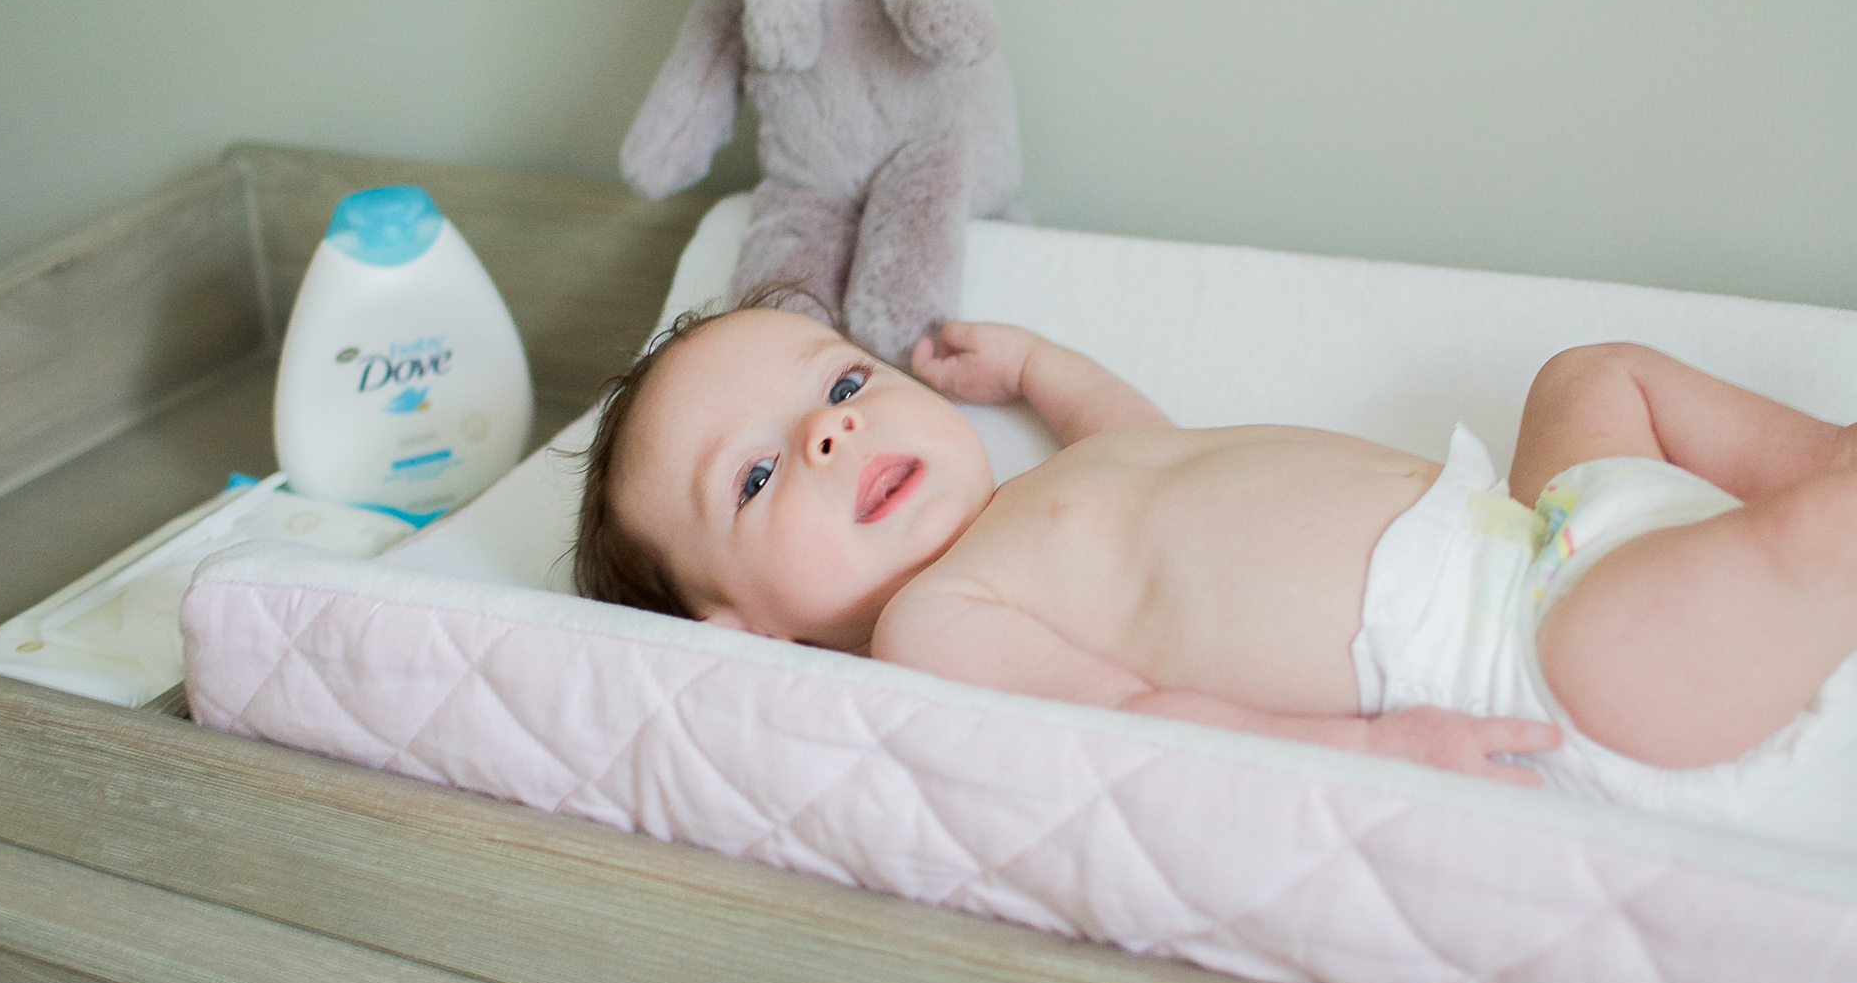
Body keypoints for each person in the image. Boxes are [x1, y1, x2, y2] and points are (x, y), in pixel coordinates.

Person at [574, 305, 1857, 797]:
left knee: (1592, 373)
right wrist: (1360, 752)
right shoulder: (939, 620)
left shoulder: (1052, 489)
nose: (828, 434)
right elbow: (1143, 715)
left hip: (1534, 526)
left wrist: (1037, 367)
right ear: (743, 632)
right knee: (1809, 545)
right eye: (753, 472)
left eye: (841, 382)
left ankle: (1824, 447)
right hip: (1537, 655)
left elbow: (1153, 444)